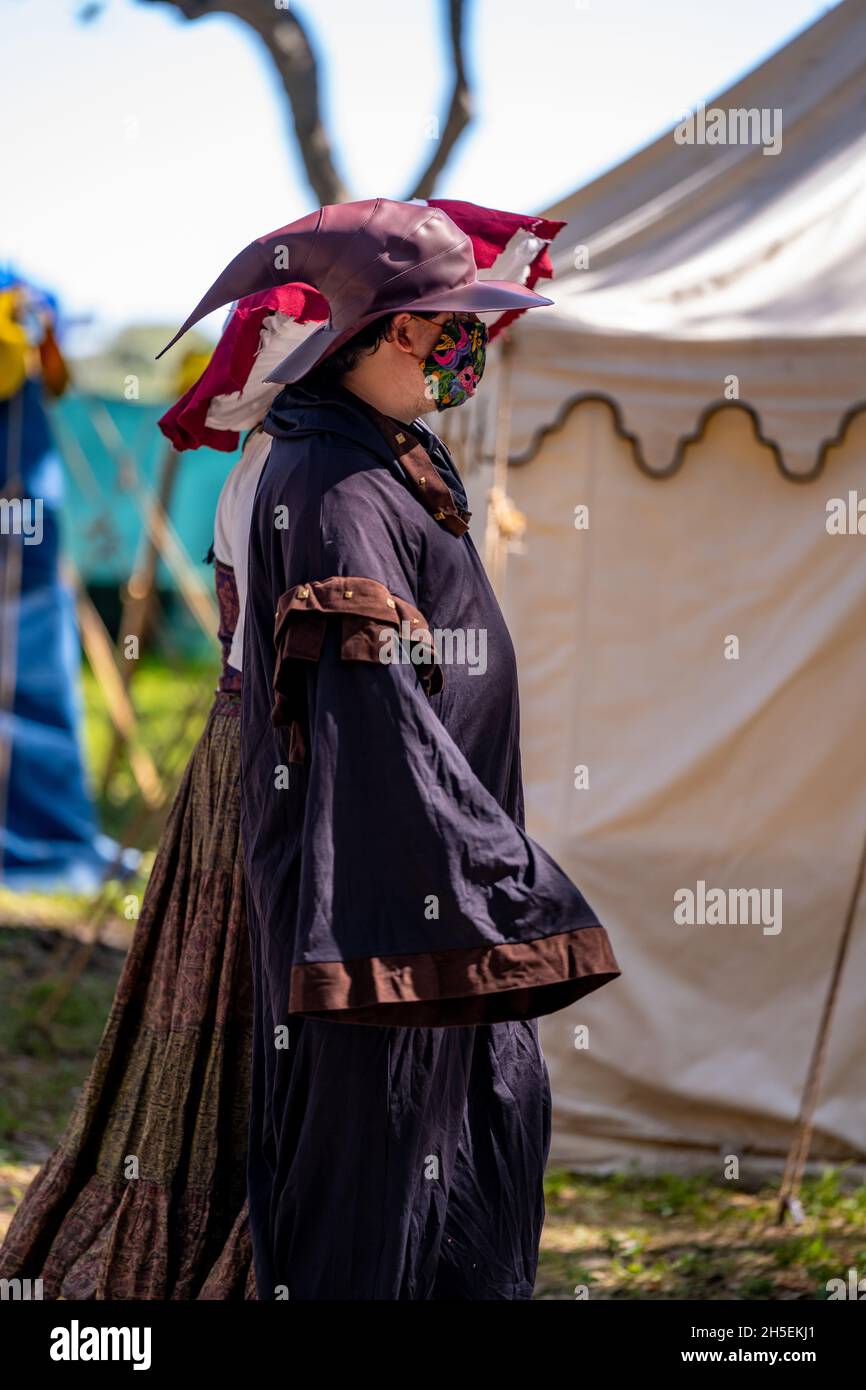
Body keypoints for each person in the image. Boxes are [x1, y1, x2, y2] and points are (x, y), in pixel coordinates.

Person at [164, 198, 621, 1301]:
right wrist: (484, 878)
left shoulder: (387, 455)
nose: (466, 346)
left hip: (423, 888)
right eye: (448, 324)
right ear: (387, 331)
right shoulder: (327, 482)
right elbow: (369, 718)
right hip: (383, 897)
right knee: (373, 1189)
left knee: (466, 1158)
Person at [0, 375, 273, 1301]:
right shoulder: (284, 471)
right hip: (261, 761)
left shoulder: (294, 464)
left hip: (252, 755)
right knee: (212, 997)